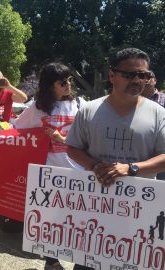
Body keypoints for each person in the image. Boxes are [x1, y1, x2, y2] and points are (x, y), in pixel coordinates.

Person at [66, 48, 165, 270]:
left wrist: (130, 169)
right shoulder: (89, 111)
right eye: (130, 74)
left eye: (144, 75)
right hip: (94, 210)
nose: (138, 80)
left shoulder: (158, 113)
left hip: (140, 213)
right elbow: (72, 147)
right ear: (112, 75)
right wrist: (94, 166)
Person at [14, 63, 83, 270]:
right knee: (51, 220)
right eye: (63, 82)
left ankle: (80, 258)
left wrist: (61, 138)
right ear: (50, 85)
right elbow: (18, 129)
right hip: (49, 173)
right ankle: (51, 261)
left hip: (78, 171)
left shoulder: (79, 103)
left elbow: (87, 135)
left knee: (77, 221)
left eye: (69, 80)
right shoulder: (37, 108)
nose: (68, 84)